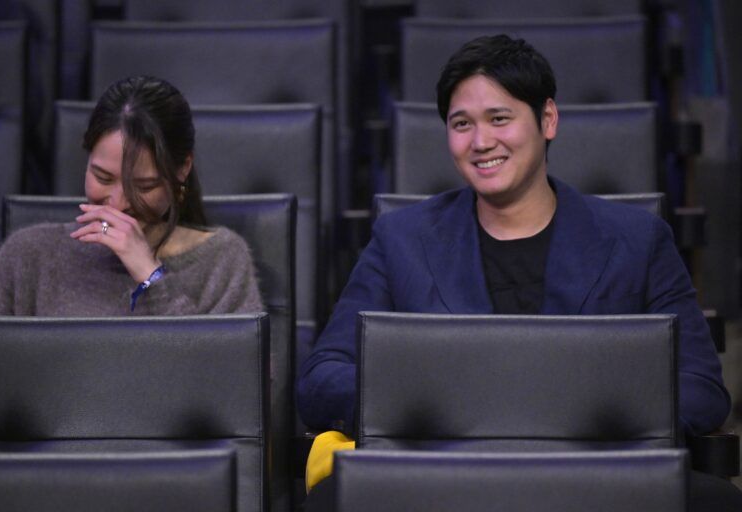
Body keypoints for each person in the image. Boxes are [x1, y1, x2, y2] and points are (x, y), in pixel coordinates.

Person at [297, 35, 740, 510]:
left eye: (499, 119)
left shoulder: (638, 240)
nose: (481, 142)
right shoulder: (400, 240)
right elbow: (323, 378)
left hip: (593, 473)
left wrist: (577, 409)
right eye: (461, 124)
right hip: (444, 475)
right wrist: (428, 400)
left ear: (547, 119)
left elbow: (702, 389)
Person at [0, 76, 262, 315]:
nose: (120, 203)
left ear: (182, 169)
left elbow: (235, 378)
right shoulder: (30, 254)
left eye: (144, 186)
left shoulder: (222, 260)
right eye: (103, 178)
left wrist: (152, 277)